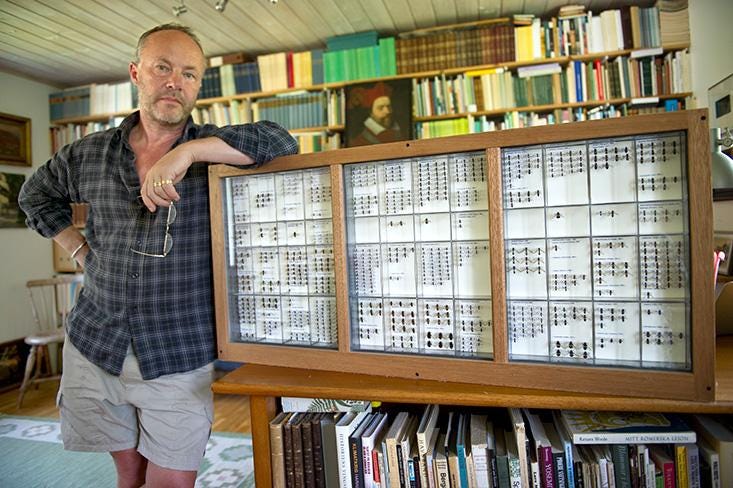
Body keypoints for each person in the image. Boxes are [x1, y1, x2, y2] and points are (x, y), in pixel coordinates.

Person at [18, 23, 297, 487]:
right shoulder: (87, 154)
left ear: (197, 86)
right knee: (129, 477)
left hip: (178, 350)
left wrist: (187, 152)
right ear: (136, 73)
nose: (175, 81)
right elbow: (34, 196)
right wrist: (80, 249)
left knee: (171, 482)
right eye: (162, 68)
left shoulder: (216, 150)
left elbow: (281, 141)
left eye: (188, 74)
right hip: (95, 342)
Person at [350, 81, 404, 146]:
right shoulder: (359, 141)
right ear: (370, 113)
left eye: (389, 106)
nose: (388, 111)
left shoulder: (398, 133)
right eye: (380, 108)